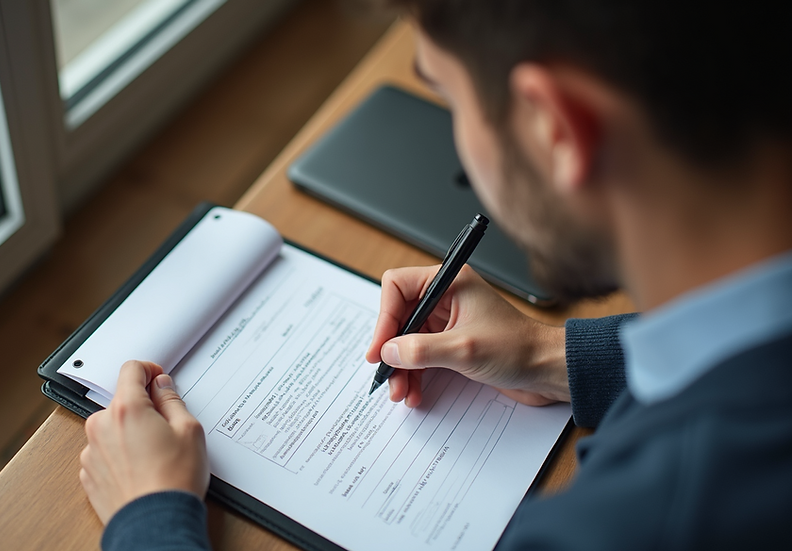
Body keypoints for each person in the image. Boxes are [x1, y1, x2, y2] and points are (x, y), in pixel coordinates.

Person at [78, 0, 792, 549]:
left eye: (448, 97)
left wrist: (152, 517)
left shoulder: (632, 523)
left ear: (555, 128)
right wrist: (555, 356)